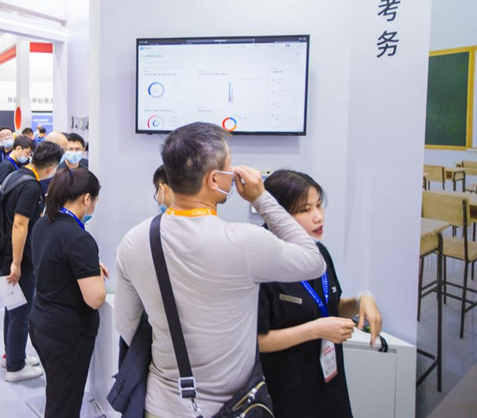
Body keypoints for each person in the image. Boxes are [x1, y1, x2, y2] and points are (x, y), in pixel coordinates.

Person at [114, 122, 326, 417]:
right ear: (214, 179)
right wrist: (261, 197)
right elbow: (314, 261)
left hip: (161, 405)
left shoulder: (134, 240)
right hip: (231, 408)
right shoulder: (245, 242)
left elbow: (127, 326)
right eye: (229, 166)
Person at [258, 170, 382, 418]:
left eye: (318, 205)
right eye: (305, 210)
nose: (318, 216)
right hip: (286, 390)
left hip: (329, 382)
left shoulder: (319, 253)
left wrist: (361, 300)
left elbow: (328, 308)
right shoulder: (261, 263)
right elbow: (257, 341)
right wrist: (315, 330)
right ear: (277, 214)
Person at [29, 167, 109, 417]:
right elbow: (95, 298)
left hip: (41, 323)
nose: (94, 206)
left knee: (57, 395)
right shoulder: (78, 238)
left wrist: (87, 267)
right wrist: (96, 277)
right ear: (87, 199)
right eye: (94, 201)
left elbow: (54, 264)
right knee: (64, 405)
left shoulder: (43, 224)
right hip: (67, 337)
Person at [0, 141, 63, 382]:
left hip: (4, 252)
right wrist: (16, 263)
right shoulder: (31, 187)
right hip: (17, 259)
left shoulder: (16, 175)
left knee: (12, 308)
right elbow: (20, 224)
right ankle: (15, 368)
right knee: (20, 313)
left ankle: (12, 355)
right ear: (51, 168)